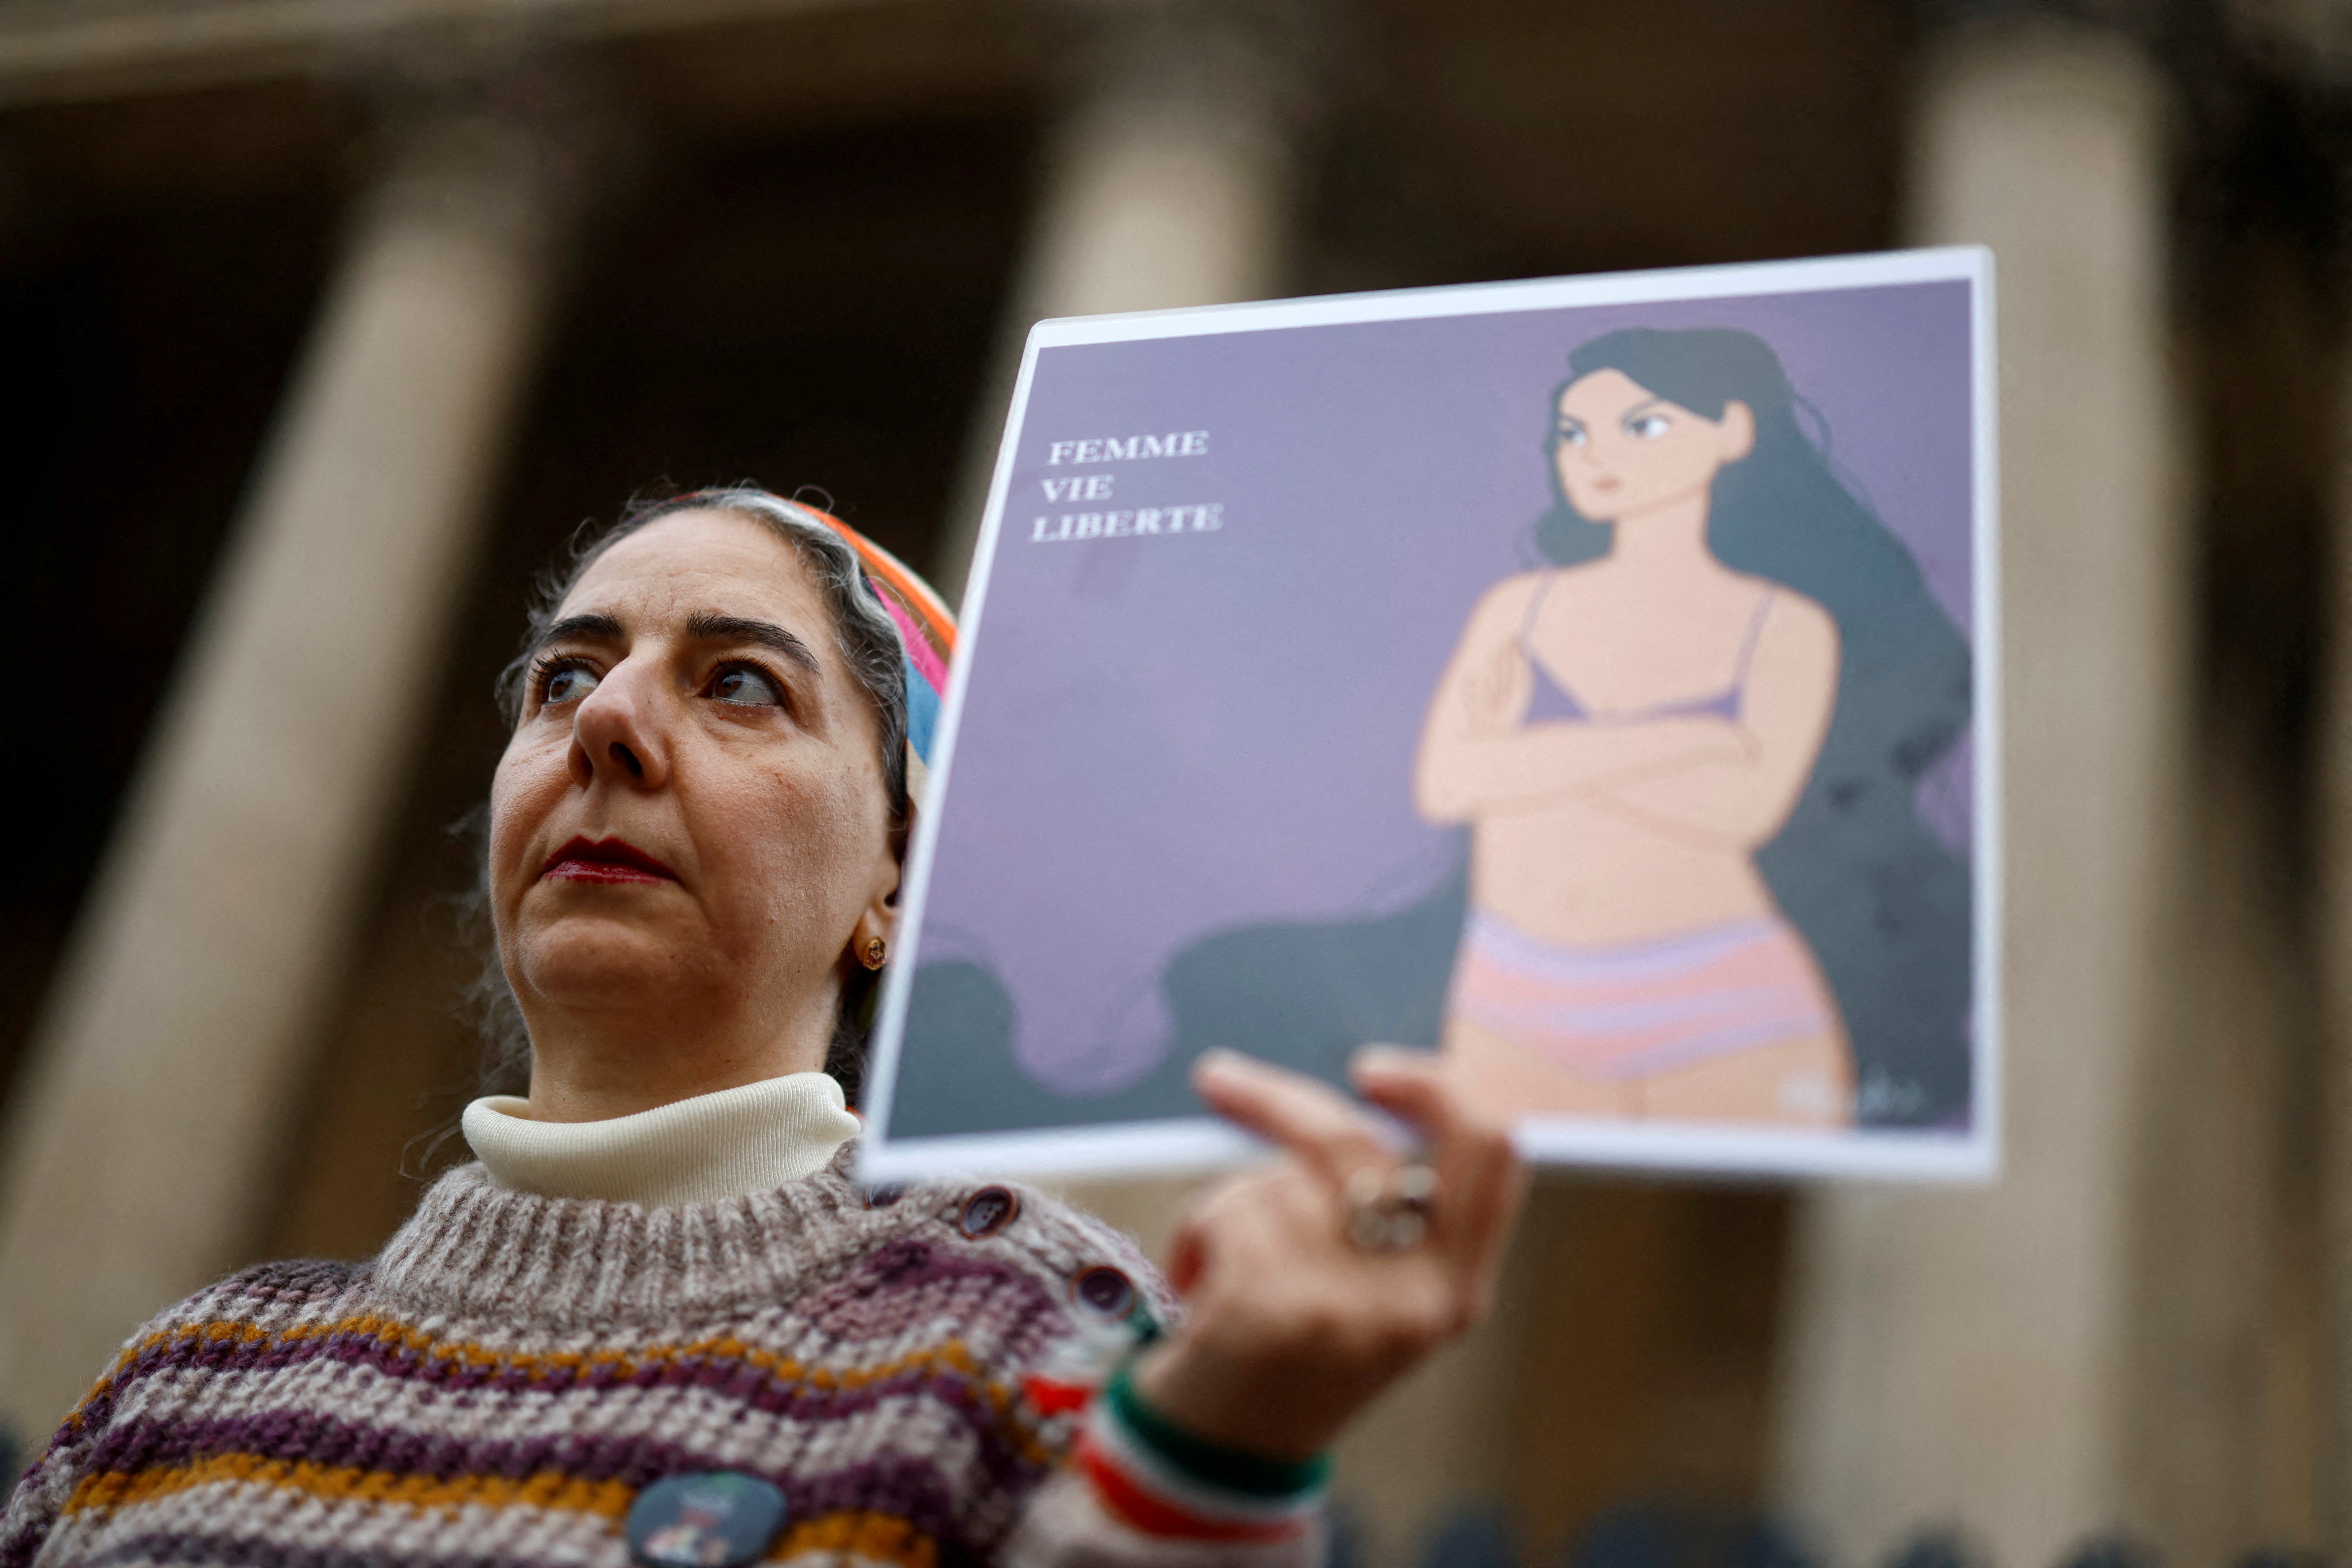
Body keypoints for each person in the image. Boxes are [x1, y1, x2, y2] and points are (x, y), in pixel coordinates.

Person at [0, 487, 1526, 1568]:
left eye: (738, 683)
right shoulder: (177, 1388)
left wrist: (1214, 1465)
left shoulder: (1035, 1331)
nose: (603, 722)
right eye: (565, 678)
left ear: (897, 878)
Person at [1416, 328, 1971, 1129]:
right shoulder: (1520, 609)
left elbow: (1741, 809)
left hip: (1721, 1001)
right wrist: (1686, 741)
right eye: (1574, 434)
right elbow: (1450, 781)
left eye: (1641, 426)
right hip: (1512, 993)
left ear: (1733, 432)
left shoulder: (1782, 627)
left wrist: (1527, 758)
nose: (1596, 455)